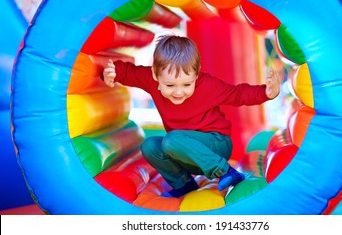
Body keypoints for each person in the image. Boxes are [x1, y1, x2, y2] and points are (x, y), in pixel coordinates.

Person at [102, 34, 280, 197]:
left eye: (187, 84)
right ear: (155, 75)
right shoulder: (150, 78)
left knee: (172, 139)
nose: (179, 92)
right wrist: (112, 72)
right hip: (185, 153)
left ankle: (227, 172)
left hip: (216, 145)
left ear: (197, 73)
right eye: (170, 86)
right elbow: (129, 72)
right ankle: (184, 184)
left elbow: (237, 94)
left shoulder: (207, 85)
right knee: (150, 146)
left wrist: (266, 92)